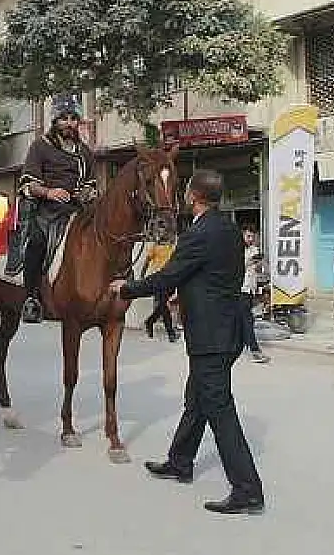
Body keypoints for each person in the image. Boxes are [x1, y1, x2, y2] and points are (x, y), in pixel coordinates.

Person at [109, 169, 265, 515]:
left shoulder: (199, 233)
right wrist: (192, 295)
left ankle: (247, 489)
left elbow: (170, 274)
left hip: (211, 335)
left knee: (219, 409)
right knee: (197, 400)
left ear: (193, 196)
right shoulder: (228, 230)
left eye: (185, 191)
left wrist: (127, 288)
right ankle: (180, 461)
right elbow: (218, 276)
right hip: (227, 327)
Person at [12, 94, 97, 323]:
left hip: (76, 210)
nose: (69, 123)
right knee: (37, 242)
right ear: (55, 121)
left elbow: (91, 183)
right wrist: (50, 192)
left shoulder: (85, 153)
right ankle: (31, 298)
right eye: (64, 118)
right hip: (46, 211)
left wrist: (87, 193)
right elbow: (28, 184)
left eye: (73, 118)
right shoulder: (40, 147)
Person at [239, 227, 270, 364]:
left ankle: (239, 345)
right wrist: (248, 263)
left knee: (243, 320)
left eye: (252, 237)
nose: (250, 239)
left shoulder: (255, 250)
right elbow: (235, 269)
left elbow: (259, 270)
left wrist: (260, 265)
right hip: (240, 290)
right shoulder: (236, 251)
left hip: (251, 289)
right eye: (248, 236)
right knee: (247, 320)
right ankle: (254, 350)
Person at [142, 236, 179, 342]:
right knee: (163, 305)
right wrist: (142, 275)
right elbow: (147, 261)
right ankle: (171, 333)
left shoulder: (172, 247)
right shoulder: (155, 246)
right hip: (158, 279)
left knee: (162, 305)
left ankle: (149, 321)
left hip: (170, 279)